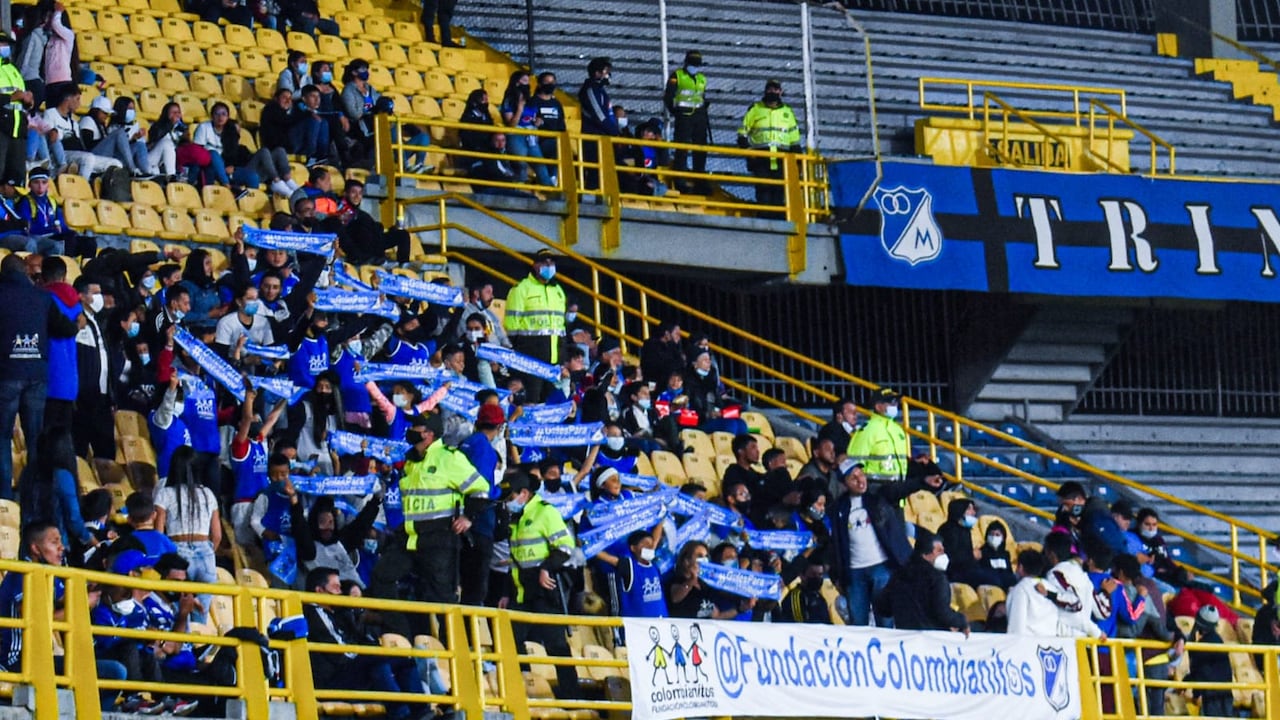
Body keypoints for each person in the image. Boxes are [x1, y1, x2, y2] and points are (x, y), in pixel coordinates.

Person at [304, 567, 427, 720]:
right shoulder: (313, 612)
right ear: (319, 591)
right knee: (377, 660)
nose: (340, 593)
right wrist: (366, 656)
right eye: (335, 588)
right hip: (332, 678)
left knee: (403, 661)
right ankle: (401, 714)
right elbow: (341, 653)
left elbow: (356, 640)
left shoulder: (337, 614)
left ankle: (422, 712)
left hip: (350, 669)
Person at [830, 458, 941, 626]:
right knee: (857, 625)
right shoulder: (838, 508)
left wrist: (923, 482)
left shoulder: (878, 496)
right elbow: (836, 544)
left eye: (861, 474)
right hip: (854, 573)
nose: (860, 480)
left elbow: (899, 489)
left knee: (886, 623)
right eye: (853, 478)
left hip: (882, 568)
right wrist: (837, 574)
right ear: (844, 483)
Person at [400, 413, 489, 612]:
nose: (410, 432)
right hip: (411, 537)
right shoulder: (411, 462)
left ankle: (446, 641)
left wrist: (468, 517)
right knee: (396, 582)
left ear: (429, 435)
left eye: (416, 429)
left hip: (441, 537)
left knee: (440, 598)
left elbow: (481, 489)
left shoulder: (450, 458)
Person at [503, 472, 580, 698]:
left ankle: (572, 698)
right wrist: (507, 592)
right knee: (511, 641)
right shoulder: (516, 519)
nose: (508, 502)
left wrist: (546, 567)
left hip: (545, 591)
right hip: (521, 593)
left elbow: (565, 547)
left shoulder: (545, 512)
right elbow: (515, 560)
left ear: (524, 494)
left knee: (557, 646)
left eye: (511, 497)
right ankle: (524, 691)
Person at [873, 527, 969, 634]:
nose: (944, 554)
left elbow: (883, 608)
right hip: (932, 640)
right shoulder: (937, 579)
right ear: (925, 555)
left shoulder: (899, 576)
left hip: (905, 639)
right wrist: (961, 621)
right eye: (939, 551)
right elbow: (943, 613)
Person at [504, 249, 566, 402]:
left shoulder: (558, 290)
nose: (549, 265)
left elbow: (561, 326)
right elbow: (511, 327)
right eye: (545, 262)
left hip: (553, 358)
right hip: (531, 358)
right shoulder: (521, 289)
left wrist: (561, 356)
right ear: (535, 265)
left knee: (551, 403)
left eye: (552, 262)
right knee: (532, 401)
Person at [737, 79, 800, 208]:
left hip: (782, 158)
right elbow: (742, 134)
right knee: (763, 191)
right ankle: (764, 220)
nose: (773, 92)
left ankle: (777, 221)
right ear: (765, 91)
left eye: (776, 89)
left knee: (779, 192)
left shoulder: (787, 112)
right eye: (770, 89)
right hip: (761, 158)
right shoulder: (755, 109)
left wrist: (797, 162)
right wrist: (749, 152)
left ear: (781, 92)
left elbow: (794, 139)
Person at [73, 275, 115, 460]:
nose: (100, 297)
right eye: (95, 293)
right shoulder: (77, 321)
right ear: (81, 296)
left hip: (103, 398)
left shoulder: (97, 322)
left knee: (106, 452)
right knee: (79, 449)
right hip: (85, 397)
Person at [664, 50, 710, 194]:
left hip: (700, 117)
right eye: (692, 64)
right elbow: (668, 97)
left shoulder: (702, 78)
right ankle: (680, 180)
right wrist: (676, 112)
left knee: (700, 149)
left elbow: (702, 96)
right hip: (684, 117)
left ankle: (699, 181)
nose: (695, 67)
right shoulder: (677, 76)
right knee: (682, 149)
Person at [500, 70, 554, 188]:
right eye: (524, 81)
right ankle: (519, 191)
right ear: (516, 83)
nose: (527, 84)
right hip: (516, 134)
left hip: (531, 135)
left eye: (528, 81)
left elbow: (534, 117)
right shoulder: (509, 100)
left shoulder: (531, 100)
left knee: (541, 165)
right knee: (520, 164)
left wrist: (537, 121)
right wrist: (519, 108)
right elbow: (511, 124)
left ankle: (551, 191)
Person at [846, 388, 908, 487]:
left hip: (898, 491)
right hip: (875, 491)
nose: (895, 405)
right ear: (878, 406)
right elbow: (854, 463)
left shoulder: (898, 430)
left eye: (896, 402)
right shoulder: (868, 429)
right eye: (890, 402)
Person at [577, 57, 618, 191]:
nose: (608, 74)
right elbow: (599, 116)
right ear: (597, 73)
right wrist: (615, 132)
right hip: (593, 138)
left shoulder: (600, 90)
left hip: (603, 136)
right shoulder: (590, 89)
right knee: (595, 172)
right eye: (606, 71)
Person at [1186, 604, 1233, 718]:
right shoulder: (1217, 640)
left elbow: (1197, 669)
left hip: (1212, 697)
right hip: (1225, 694)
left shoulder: (1204, 645)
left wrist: (1195, 694)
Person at [0, 34, 33, 188]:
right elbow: (12, 96)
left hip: (18, 128)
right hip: (2, 127)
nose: (5, 47)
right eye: (2, 44)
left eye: (6, 44)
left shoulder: (13, 70)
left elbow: (21, 98)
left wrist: (29, 101)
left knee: (16, 179)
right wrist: (11, 97)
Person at [1005, 549, 1059, 636]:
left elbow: (1016, 627)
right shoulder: (1051, 588)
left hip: (1028, 644)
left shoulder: (1021, 589)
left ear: (1020, 568)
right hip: (1050, 642)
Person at [773, 556, 831, 624]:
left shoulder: (819, 597)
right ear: (802, 575)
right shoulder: (796, 597)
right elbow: (800, 626)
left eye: (820, 574)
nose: (817, 578)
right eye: (813, 574)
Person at [527, 72, 565, 164]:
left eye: (552, 82)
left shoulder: (556, 103)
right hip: (539, 141)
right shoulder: (533, 102)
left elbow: (561, 125)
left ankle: (552, 177)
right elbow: (527, 120)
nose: (550, 84)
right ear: (540, 84)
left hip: (556, 139)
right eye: (547, 82)